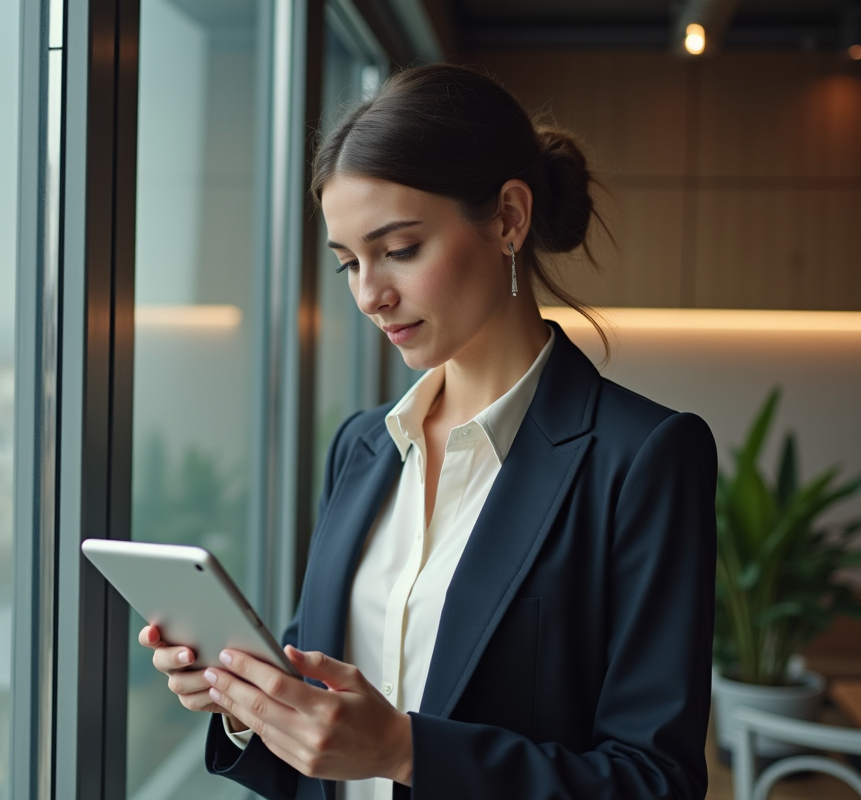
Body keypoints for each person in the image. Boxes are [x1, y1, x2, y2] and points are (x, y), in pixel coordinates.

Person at [139, 63, 717, 800]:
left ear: (509, 217)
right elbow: (324, 717)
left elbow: (655, 782)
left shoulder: (642, 459)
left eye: (400, 250)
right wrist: (246, 705)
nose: (370, 295)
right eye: (348, 263)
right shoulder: (363, 445)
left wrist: (408, 750)